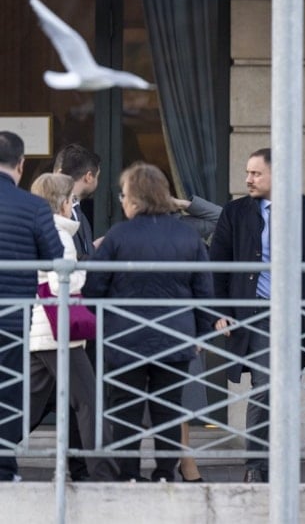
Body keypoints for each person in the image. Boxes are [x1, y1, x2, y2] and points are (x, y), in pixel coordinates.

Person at [209, 147, 305, 483]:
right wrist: (219, 311)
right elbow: (217, 266)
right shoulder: (235, 212)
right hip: (257, 312)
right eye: (247, 172)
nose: (248, 179)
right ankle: (255, 467)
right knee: (265, 386)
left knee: (286, 389)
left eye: (256, 173)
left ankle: (278, 464)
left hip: (298, 316)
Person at [82, 162, 215, 482]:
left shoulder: (118, 235)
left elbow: (93, 288)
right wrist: (199, 334)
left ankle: (128, 474)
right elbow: (204, 290)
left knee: (124, 408)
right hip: (175, 335)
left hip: (124, 337)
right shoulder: (187, 235)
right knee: (168, 408)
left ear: (136, 198)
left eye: (124, 195)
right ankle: (164, 474)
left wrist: (105, 324)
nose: (122, 201)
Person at [27, 173, 117, 481]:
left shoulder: (38, 229)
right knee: (89, 402)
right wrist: (82, 271)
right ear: (64, 202)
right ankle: (104, 476)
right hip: (58, 334)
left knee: (26, 406)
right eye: (72, 199)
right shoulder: (60, 234)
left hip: (42, 330)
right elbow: (61, 283)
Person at [0, 131, 63, 482]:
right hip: (12, 318)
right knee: (8, 390)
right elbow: (55, 259)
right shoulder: (34, 206)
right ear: (21, 164)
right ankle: (3, 467)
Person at [171, 194, 223, 483]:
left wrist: (185, 204)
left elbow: (222, 218)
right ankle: (131, 467)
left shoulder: (184, 225)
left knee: (181, 398)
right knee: (134, 399)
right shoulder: (125, 231)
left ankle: (185, 460)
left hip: (183, 325)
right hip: (138, 326)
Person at [53, 143, 102, 259]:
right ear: (89, 177)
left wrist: (92, 248)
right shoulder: (53, 210)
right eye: (97, 176)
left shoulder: (80, 213)